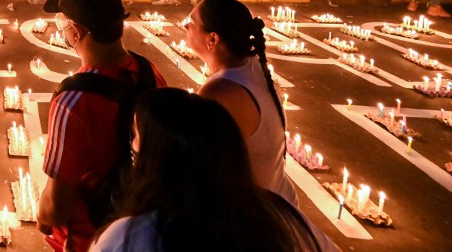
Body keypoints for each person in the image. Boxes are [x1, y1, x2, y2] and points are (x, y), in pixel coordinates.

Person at [90, 88, 340, 252]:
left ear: (159, 158)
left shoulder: (131, 237)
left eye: (137, 135)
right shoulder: (281, 215)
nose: (132, 143)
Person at [38, 0, 165, 252]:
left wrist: (43, 212)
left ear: (76, 31)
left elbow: (55, 211)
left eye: (63, 23)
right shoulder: (149, 73)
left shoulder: (72, 101)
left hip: (88, 240)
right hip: (140, 231)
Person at [186, 0, 297, 204]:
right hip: (278, 200)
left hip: (258, 217)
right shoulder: (252, 65)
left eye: (191, 23)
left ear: (212, 39)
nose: (185, 26)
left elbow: (198, 168)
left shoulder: (220, 91)